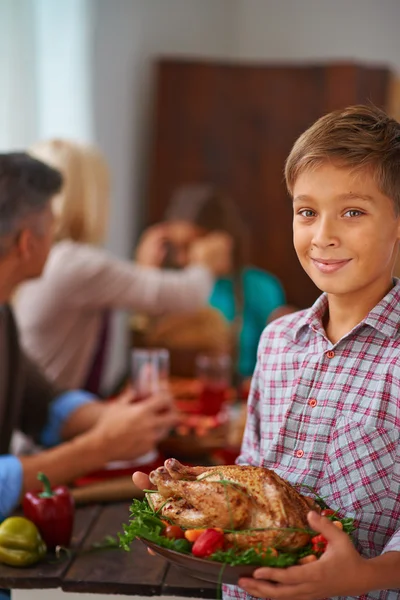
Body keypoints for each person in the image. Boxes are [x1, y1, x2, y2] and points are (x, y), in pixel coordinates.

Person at [134, 104, 400, 599]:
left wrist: (363, 574)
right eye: (307, 212)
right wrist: (194, 496)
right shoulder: (278, 342)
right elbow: (253, 470)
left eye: (353, 212)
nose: (323, 235)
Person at [0, 152, 179, 529]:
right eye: (52, 225)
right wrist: (101, 446)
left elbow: (44, 403)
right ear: (28, 243)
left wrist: (114, 418)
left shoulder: (4, 313)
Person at [13, 140, 232, 393]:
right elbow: (186, 296)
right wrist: (205, 264)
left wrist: (144, 273)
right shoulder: (73, 263)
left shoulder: (56, 260)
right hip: (49, 422)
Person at [135, 184, 286, 379]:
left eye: (190, 245)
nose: (181, 259)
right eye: (176, 247)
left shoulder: (261, 288)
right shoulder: (170, 286)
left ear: (223, 240)